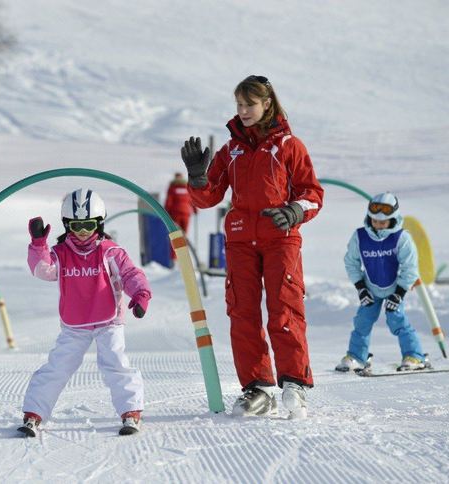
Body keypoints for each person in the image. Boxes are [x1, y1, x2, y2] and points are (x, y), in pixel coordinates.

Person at [180, 75, 324, 419]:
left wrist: (293, 211)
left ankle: (294, 384)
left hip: (280, 238)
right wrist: (198, 177)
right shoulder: (231, 151)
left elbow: (313, 195)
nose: (243, 111)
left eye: (249, 105)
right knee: (242, 312)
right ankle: (258, 387)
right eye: (239, 105)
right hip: (242, 239)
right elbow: (207, 197)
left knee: (284, 308)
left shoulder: (290, 146)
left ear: (267, 104)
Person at [19, 188, 152, 437]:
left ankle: (130, 412)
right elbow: (42, 270)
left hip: (108, 321)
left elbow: (130, 274)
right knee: (58, 366)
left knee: (115, 363)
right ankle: (34, 414)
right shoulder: (60, 253)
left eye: (88, 225)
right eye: (76, 226)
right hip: (75, 324)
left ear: (99, 224)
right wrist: (39, 245)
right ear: (67, 225)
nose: (82, 232)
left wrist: (141, 294)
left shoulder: (110, 251)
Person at [335, 192, 426, 373]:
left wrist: (399, 293)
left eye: (383, 222)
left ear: (393, 219)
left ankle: (414, 356)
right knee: (362, 322)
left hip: (394, 289)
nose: (377, 225)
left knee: (397, 321)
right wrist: (361, 288)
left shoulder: (402, 238)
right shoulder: (360, 236)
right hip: (370, 289)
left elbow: (410, 268)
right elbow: (351, 262)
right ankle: (356, 357)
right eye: (374, 221)